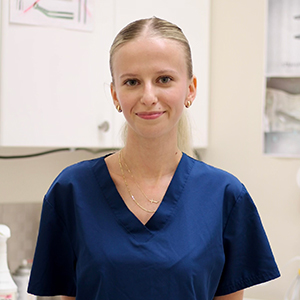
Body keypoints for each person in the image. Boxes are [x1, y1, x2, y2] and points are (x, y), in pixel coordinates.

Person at [28, 17, 280, 300]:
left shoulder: (225, 195)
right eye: (132, 81)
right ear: (115, 94)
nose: (148, 96)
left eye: (164, 79)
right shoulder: (72, 190)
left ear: (191, 89)